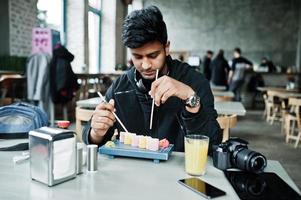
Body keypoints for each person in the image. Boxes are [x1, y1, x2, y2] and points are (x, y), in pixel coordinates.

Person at [82, 6, 221, 153]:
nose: (146, 65)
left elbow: (213, 143)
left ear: (166, 48)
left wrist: (190, 98)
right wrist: (96, 133)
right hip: (131, 172)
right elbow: (92, 138)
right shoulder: (120, 87)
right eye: (137, 56)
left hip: (179, 172)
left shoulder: (194, 81)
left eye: (153, 56)